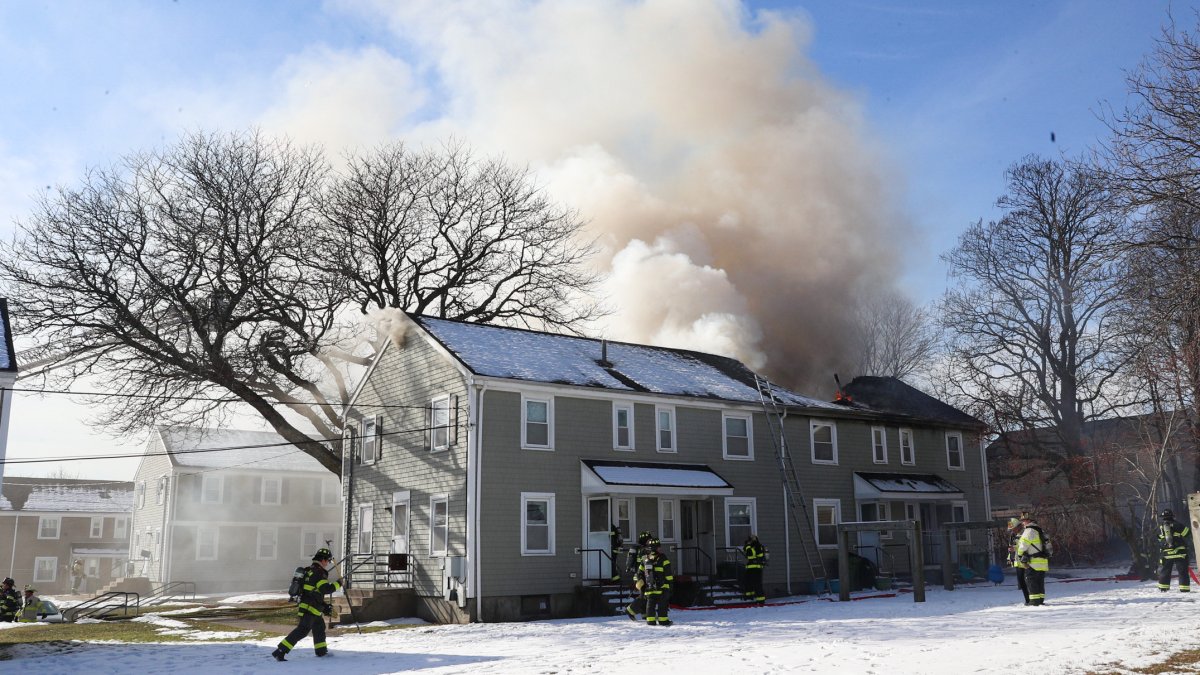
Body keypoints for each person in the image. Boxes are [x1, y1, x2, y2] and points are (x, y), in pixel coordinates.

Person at [272, 548, 343, 661]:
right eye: (328, 561)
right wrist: (339, 584)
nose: (328, 563)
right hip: (310, 608)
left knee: (319, 627)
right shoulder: (319, 573)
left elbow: (314, 592)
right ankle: (280, 651)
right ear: (323, 560)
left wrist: (324, 606)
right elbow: (325, 589)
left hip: (311, 606)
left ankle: (321, 652)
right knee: (302, 630)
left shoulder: (309, 570)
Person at [1014, 515, 1052, 606]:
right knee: (1040, 582)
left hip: (1033, 562)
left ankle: (1034, 601)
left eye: (1023, 521)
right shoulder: (1040, 529)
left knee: (1031, 581)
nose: (1022, 523)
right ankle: (1040, 600)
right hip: (1042, 561)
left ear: (1028, 521)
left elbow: (1023, 545)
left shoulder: (1029, 531)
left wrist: (1019, 555)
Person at [639, 537, 673, 626]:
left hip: (649, 587)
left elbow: (640, 572)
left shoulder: (644, 559)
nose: (660, 548)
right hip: (662, 587)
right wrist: (670, 584)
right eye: (658, 547)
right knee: (663, 605)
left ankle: (650, 621)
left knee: (650, 605)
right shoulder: (662, 558)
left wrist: (642, 584)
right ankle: (663, 621)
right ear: (655, 548)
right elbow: (668, 573)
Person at [1157, 509, 1191, 593]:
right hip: (1180, 553)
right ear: (1172, 516)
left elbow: (1159, 538)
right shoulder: (1177, 524)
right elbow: (1187, 533)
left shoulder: (1161, 527)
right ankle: (1184, 589)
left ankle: (1163, 588)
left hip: (1167, 553)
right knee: (1182, 571)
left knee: (1165, 571)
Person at [624, 531, 654, 621]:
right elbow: (639, 562)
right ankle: (630, 610)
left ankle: (645, 614)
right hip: (639, 577)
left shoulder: (646, 549)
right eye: (648, 540)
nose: (650, 542)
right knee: (644, 596)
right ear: (644, 539)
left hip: (644, 576)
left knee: (646, 595)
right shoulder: (640, 549)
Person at [1005, 517, 1030, 605]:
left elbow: (1025, 546)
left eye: (1013, 529)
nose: (1013, 531)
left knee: (1028, 580)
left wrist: (1015, 548)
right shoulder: (1013, 535)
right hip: (1017, 561)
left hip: (1026, 560)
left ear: (1018, 526)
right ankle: (1027, 600)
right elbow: (1011, 547)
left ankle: (1031, 599)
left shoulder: (1025, 533)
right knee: (1021, 581)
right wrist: (1009, 558)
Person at [742, 533, 768, 604]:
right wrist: (747, 546)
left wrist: (747, 546)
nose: (749, 541)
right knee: (748, 583)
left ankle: (761, 600)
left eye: (750, 539)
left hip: (756, 568)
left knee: (757, 584)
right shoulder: (751, 546)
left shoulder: (757, 546)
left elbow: (750, 554)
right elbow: (746, 553)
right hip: (750, 568)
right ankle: (749, 598)